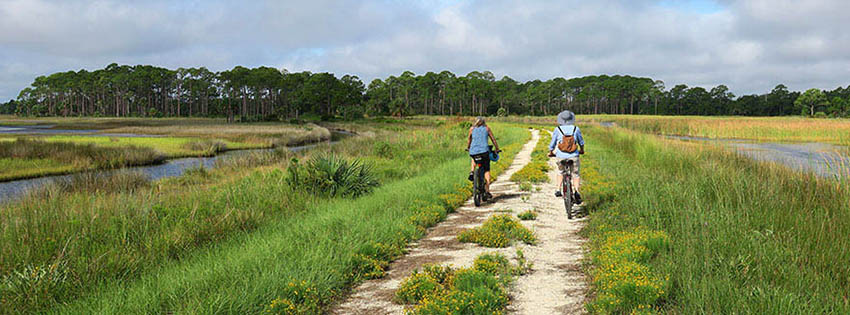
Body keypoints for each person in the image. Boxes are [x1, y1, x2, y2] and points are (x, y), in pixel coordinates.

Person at [548, 110, 585, 204]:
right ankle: (576, 191)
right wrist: (582, 150)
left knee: (561, 171)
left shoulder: (558, 129)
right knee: (575, 174)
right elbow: (581, 142)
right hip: (574, 155)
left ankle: (558, 189)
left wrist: (551, 152)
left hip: (561, 156)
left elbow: (552, 143)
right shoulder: (576, 129)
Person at [467, 116, 500, 200]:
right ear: (483, 122)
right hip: (484, 152)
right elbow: (493, 139)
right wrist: (497, 148)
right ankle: (487, 190)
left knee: (474, 158)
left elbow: (469, 140)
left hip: (473, 151)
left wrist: (468, 148)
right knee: (486, 170)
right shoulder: (487, 128)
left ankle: (472, 171)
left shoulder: (471, 129)